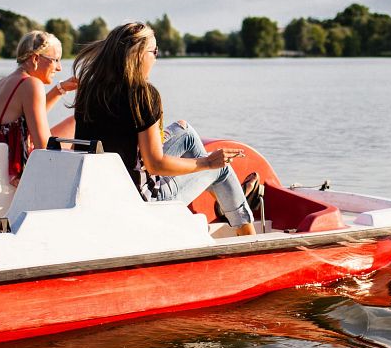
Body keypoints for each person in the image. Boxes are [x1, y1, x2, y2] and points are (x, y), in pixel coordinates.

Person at [71, 22, 257, 236]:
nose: (156, 57)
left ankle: (224, 200)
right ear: (140, 54)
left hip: (102, 191)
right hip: (141, 202)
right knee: (220, 168)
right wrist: (207, 162)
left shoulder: (90, 89)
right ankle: (249, 238)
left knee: (185, 133)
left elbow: (119, 138)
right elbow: (155, 164)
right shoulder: (142, 94)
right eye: (154, 51)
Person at [0, 30, 77, 184]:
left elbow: (27, 118)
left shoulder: (4, 81)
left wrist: (60, 89)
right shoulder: (31, 84)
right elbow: (43, 147)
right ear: (36, 58)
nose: (59, 68)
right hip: (15, 168)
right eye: (55, 60)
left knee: (74, 122)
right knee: (77, 124)